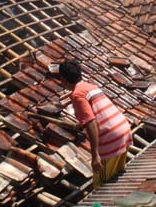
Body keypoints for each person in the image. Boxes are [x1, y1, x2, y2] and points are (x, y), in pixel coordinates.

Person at [54, 60, 133, 188]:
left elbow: (91, 123)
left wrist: (95, 155)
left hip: (111, 137)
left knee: (102, 185)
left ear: (63, 80)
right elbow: (97, 113)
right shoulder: (90, 86)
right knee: (116, 176)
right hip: (123, 129)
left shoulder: (77, 95)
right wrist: (82, 124)